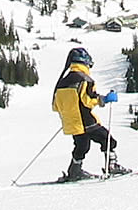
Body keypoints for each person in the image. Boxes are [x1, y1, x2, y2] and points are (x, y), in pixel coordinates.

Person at [52, 46, 130, 181]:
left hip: (71, 122)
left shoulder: (61, 82)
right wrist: (104, 99)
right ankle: (112, 165)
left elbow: (55, 106)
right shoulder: (85, 79)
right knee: (107, 138)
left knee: (82, 145)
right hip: (85, 120)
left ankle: (74, 171)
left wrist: (70, 111)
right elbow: (88, 100)